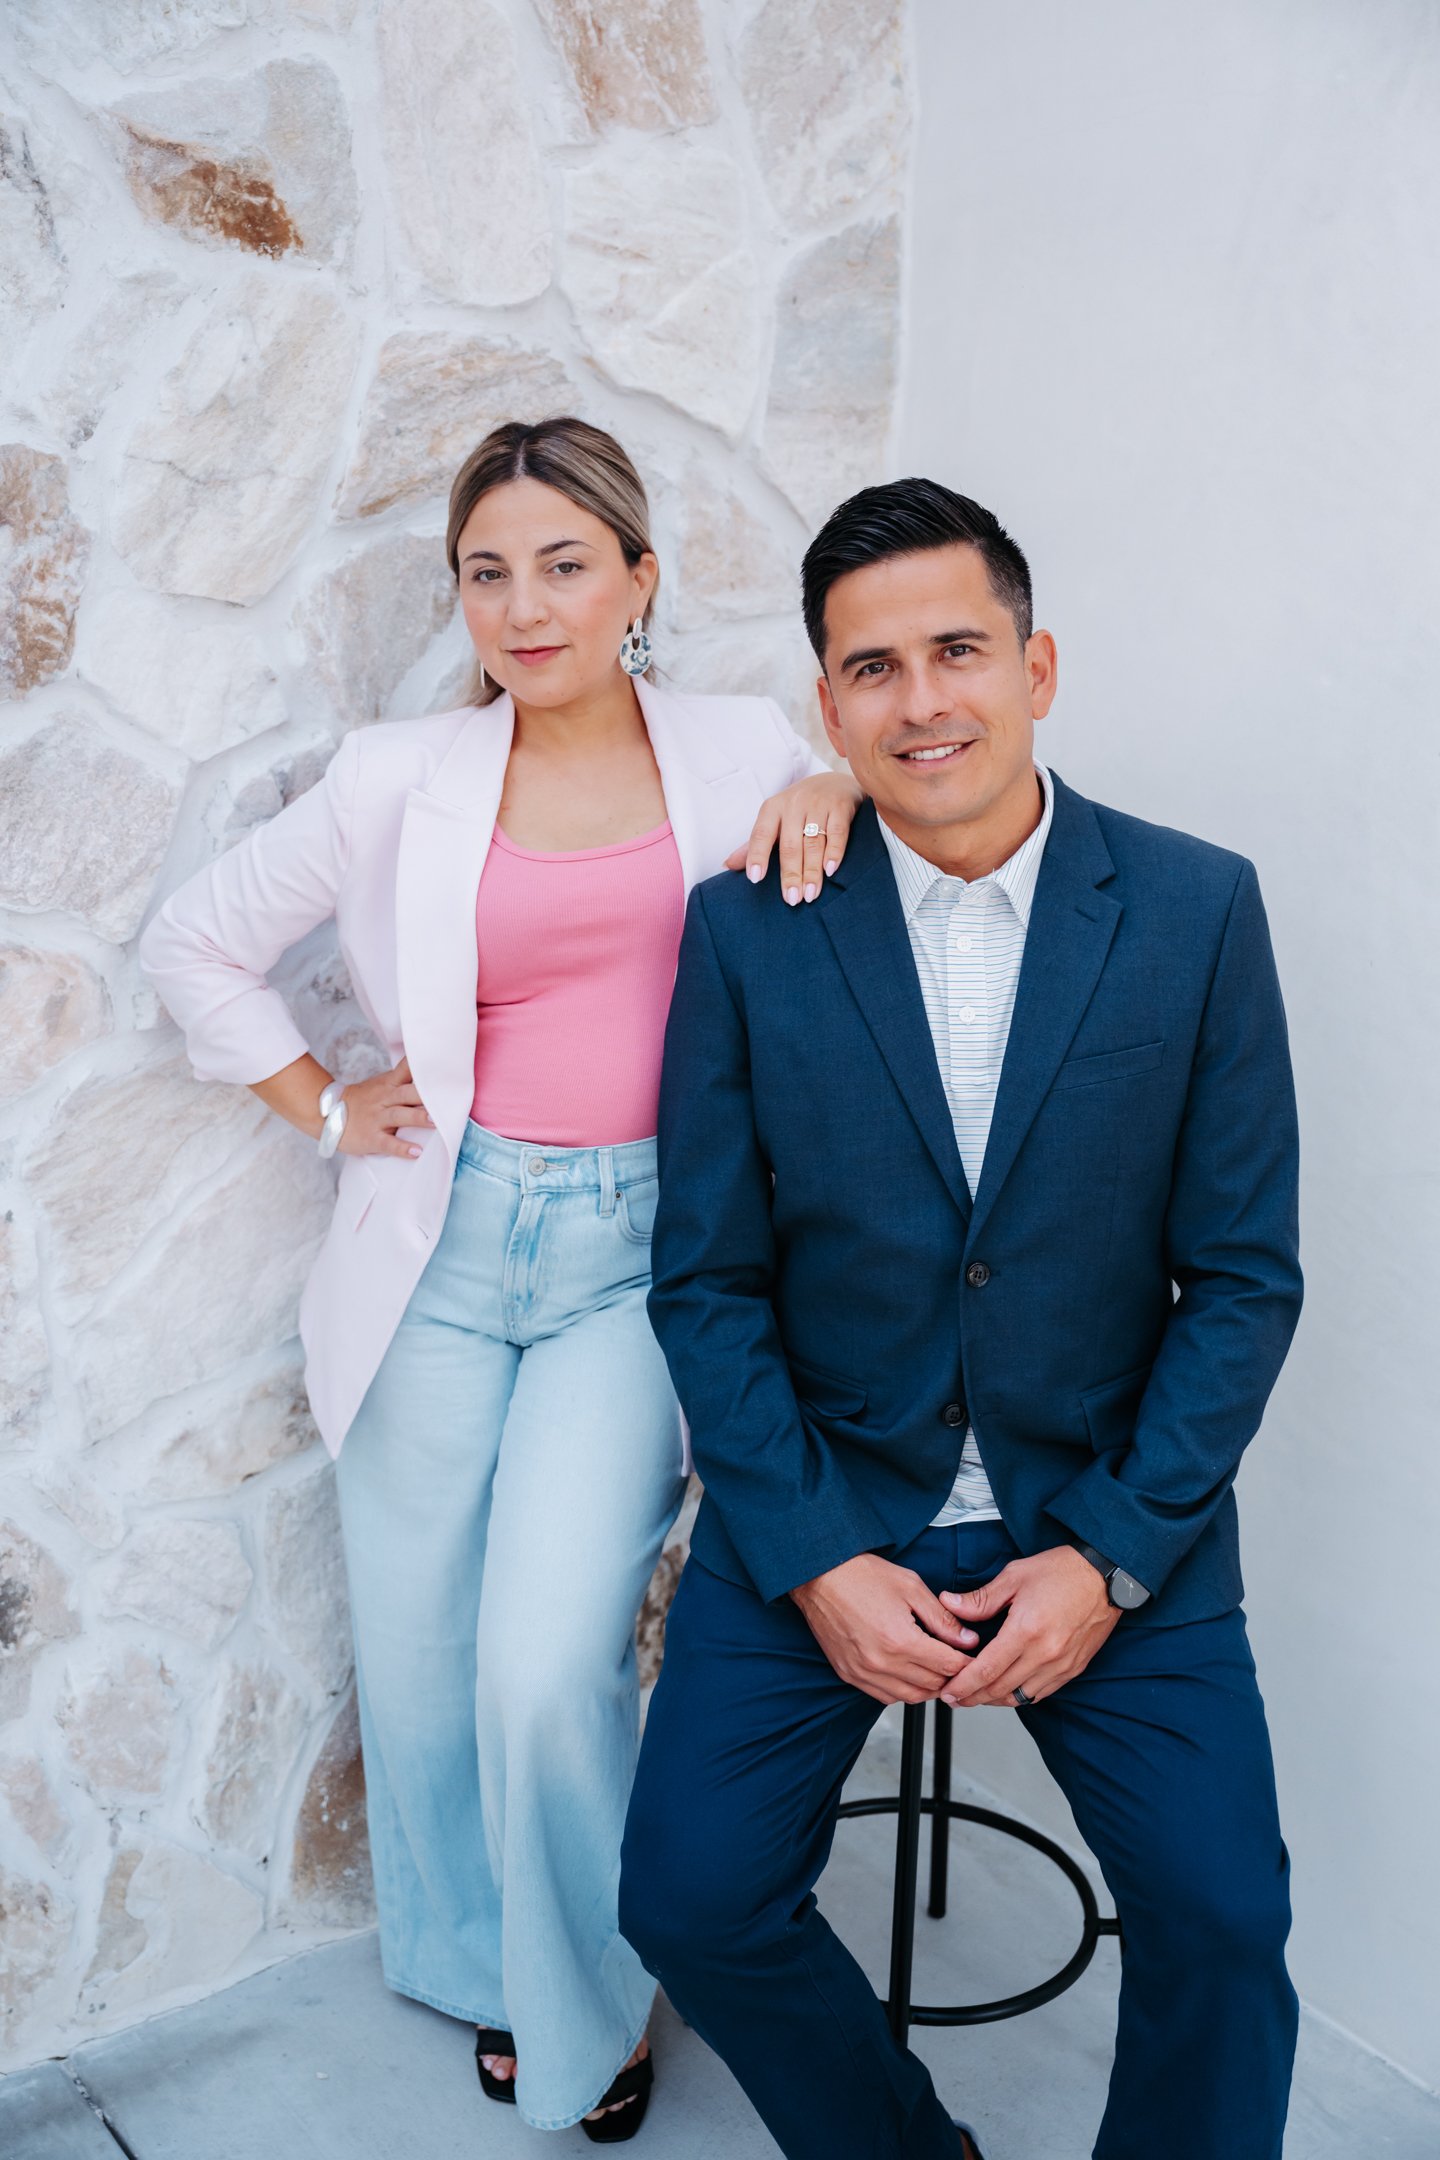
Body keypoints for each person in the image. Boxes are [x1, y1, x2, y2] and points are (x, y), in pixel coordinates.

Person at [139, 416, 862, 2142]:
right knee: (420, 1652)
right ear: (459, 594)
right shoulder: (401, 774)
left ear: (638, 579)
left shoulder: (738, 745)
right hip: (439, 1251)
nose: (525, 605)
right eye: (487, 569)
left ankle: (594, 2003)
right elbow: (197, 944)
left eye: (563, 562)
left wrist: (835, 784)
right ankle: (485, 1969)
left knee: (545, 1659)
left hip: (639, 1258)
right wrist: (325, 1104)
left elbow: (867, 884)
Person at [619, 477, 1303, 2160]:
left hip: (1106, 1513)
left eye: (957, 650)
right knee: (691, 1903)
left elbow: (1243, 1280)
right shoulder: (744, 929)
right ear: (828, 701)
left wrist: (1114, 1556)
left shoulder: (1199, 911)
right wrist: (806, 1552)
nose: (922, 702)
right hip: (829, 1500)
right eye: (871, 669)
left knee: (1223, 1921)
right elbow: (706, 1280)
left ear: (1037, 664)